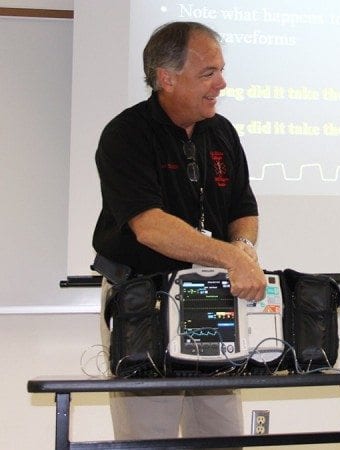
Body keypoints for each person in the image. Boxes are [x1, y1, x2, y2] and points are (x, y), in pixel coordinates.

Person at [92, 21, 267, 441]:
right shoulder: (126, 134)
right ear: (165, 78)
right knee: (149, 436)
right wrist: (232, 258)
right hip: (143, 298)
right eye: (208, 73)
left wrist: (242, 245)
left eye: (221, 71)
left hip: (211, 295)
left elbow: (243, 206)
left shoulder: (221, 132)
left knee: (222, 432)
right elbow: (149, 226)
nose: (222, 83)